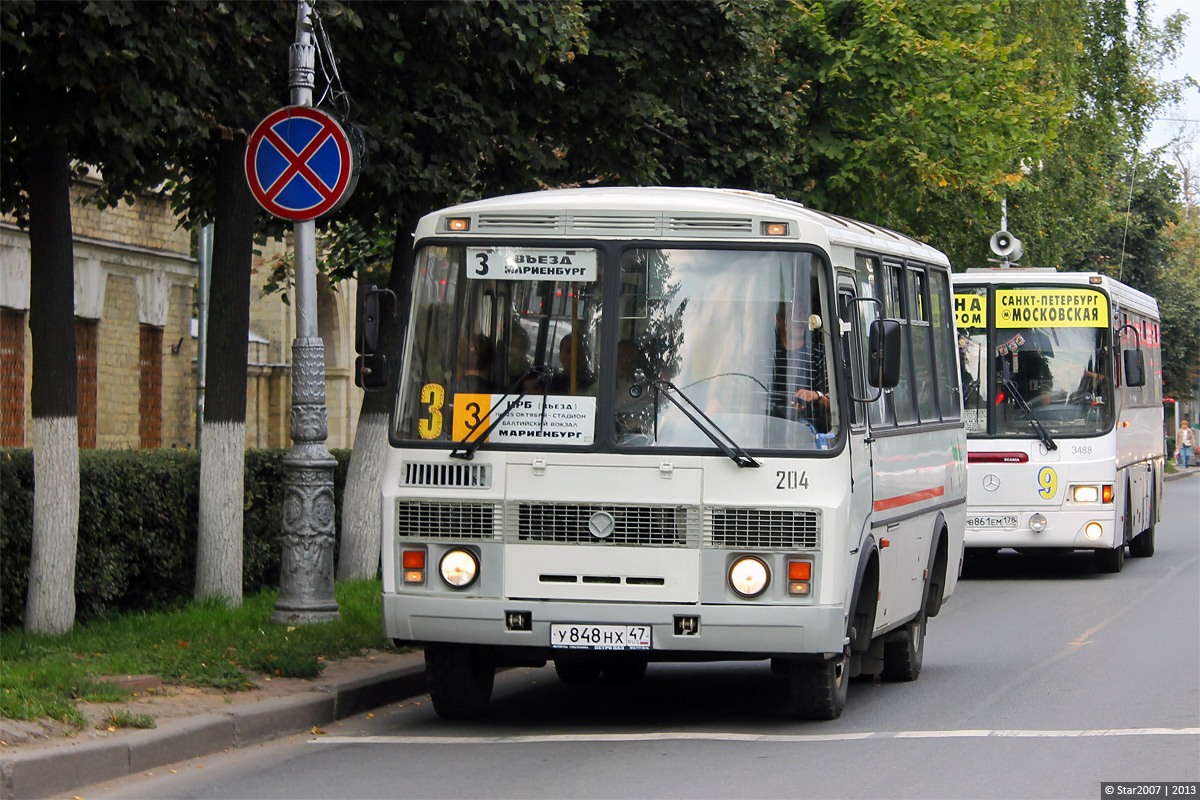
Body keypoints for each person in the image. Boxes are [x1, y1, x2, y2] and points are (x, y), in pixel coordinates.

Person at [770, 303, 830, 432]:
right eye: (794, 315)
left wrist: (815, 395)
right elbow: (739, 386)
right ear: (778, 320)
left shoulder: (818, 355)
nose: (800, 320)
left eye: (803, 315)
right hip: (763, 430)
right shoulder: (763, 355)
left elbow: (836, 401)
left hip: (806, 437)